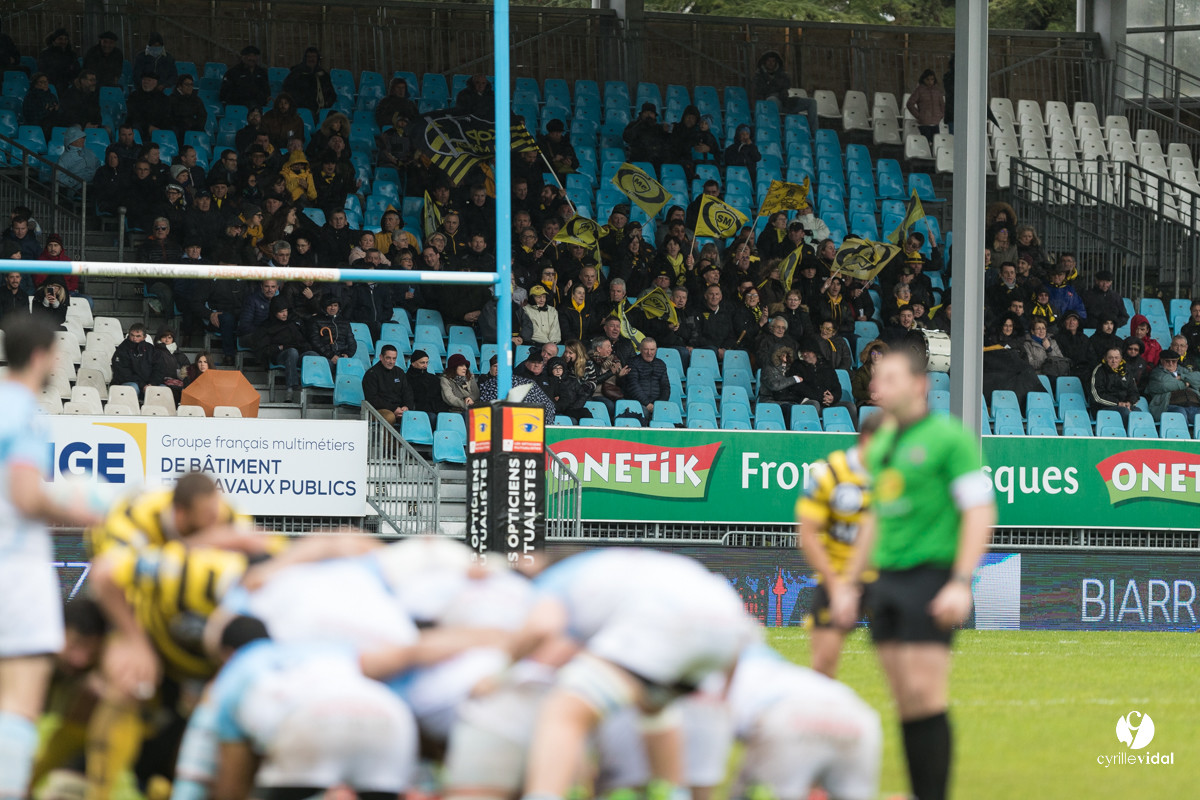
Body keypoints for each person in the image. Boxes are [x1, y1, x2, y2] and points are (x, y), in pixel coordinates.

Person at [832, 350, 996, 800]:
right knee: (905, 700)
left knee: (926, 695)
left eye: (888, 377)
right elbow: (872, 520)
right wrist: (848, 584)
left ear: (919, 386)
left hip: (931, 578)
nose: (875, 387)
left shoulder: (949, 439)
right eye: (874, 378)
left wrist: (961, 581)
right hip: (884, 582)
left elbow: (980, 511)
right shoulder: (880, 444)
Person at [516, 550, 759, 800]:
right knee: (654, 705)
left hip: (668, 622)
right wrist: (726, 692)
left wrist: (500, 665)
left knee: (565, 710)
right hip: (727, 627)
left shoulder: (554, 580)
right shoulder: (613, 568)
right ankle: (673, 793)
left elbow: (542, 628)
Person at [0, 316, 102, 798]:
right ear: (42, 356)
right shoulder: (24, 413)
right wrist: (79, 509)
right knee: (19, 697)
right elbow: (24, 496)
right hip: (13, 569)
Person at [798, 412, 882, 678]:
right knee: (822, 667)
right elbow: (808, 535)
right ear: (868, 440)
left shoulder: (899, 476)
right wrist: (836, 585)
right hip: (836, 575)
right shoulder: (829, 473)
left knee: (906, 671)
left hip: (886, 578)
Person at [252, 296, 309, 401]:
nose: (285, 314)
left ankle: (311, 390)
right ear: (274, 312)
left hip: (297, 354)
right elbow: (263, 350)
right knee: (292, 352)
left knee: (312, 355)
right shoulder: (266, 326)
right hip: (279, 356)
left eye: (286, 311)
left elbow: (302, 342)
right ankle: (290, 389)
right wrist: (279, 347)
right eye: (281, 312)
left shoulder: (292, 323)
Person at [364, 344, 414, 425]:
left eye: (394, 358)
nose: (391, 361)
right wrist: (394, 408)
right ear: (381, 357)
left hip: (398, 409)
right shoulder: (371, 374)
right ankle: (386, 438)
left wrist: (406, 406)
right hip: (377, 410)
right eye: (388, 358)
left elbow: (407, 392)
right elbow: (372, 399)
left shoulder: (400, 372)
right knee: (390, 417)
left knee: (412, 417)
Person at [1146, 349, 1200, 425]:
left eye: (1174, 361)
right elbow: (1164, 384)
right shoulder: (1157, 373)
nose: (1171, 364)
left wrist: (1182, 376)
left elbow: (1198, 377)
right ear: (1161, 361)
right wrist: (1186, 384)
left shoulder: (1182, 370)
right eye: (1167, 361)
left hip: (1194, 404)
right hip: (1171, 406)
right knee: (1180, 414)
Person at [622, 337, 670, 421]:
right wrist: (647, 404)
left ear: (656, 350)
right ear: (640, 349)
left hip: (657, 403)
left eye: (652, 349)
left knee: (669, 413)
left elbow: (665, 387)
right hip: (638, 403)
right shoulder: (632, 363)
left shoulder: (661, 364)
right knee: (644, 413)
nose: (649, 353)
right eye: (646, 349)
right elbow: (633, 386)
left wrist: (659, 404)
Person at [305, 294, 357, 369]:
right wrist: (331, 355)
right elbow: (315, 342)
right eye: (330, 305)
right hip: (324, 357)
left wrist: (347, 354)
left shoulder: (344, 322)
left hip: (341, 357)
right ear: (324, 307)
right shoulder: (315, 321)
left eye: (335, 305)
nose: (333, 308)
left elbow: (352, 342)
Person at [1089, 347, 1138, 424]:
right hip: (1103, 407)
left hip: (1123, 406)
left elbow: (1134, 392)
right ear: (1105, 358)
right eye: (1110, 358)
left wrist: (1129, 403)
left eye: (1116, 358)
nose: (1114, 361)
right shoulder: (1099, 371)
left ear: (1121, 358)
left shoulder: (1126, 371)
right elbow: (1097, 396)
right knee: (1125, 412)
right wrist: (1118, 403)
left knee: (1138, 412)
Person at [111, 322, 159, 398]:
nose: (134, 338)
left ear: (144, 337)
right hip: (128, 382)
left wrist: (152, 383)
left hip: (148, 383)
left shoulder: (151, 349)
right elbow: (123, 373)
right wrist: (142, 385)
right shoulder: (122, 349)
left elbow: (158, 368)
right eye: (132, 335)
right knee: (133, 388)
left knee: (163, 388)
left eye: (138, 336)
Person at [282, 46, 336, 113]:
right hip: (300, 109)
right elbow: (287, 89)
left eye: (313, 57)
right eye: (309, 57)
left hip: (320, 109)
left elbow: (331, 93)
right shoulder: (296, 73)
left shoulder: (323, 75)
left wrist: (326, 103)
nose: (311, 59)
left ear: (317, 59)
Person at [906, 69, 945, 145]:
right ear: (923, 79)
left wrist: (940, 115)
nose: (930, 82)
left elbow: (942, 104)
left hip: (936, 123)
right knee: (925, 144)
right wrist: (919, 116)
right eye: (928, 79)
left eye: (932, 79)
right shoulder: (919, 90)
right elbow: (910, 104)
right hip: (924, 124)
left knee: (936, 145)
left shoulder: (937, 91)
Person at [851, 339, 889, 408]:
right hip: (866, 402)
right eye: (873, 353)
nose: (876, 356)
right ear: (869, 356)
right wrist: (869, 395)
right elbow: (856, 391)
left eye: (879, 353)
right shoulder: (862, 371)